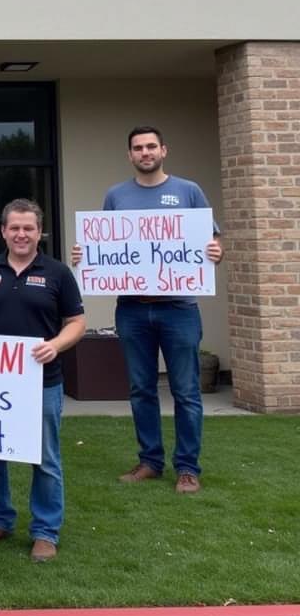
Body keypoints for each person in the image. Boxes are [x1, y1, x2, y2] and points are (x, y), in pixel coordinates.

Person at [72, 126, 223, 493]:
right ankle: (150, 461)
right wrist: (86, 255)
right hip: (132, 310)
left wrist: (216, 251)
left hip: (179, 308)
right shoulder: (116, 195)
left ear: (163, 150)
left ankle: (188, 467)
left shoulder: (188, 191)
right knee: (141, 389)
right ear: (130, 155)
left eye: (151, 146)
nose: (145, 152)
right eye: (138, 148)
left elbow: (210, 239)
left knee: (186, 390)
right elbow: (106, 242)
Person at [0, 198, 85, 563]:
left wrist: (56, 346)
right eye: (14, 228)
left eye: (28, 228)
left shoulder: (57, 272)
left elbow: (77, 322)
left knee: (45, 458)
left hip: (43, 381)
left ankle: (45, 530)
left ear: (39, 232)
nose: (21, 234)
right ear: (3, 231)